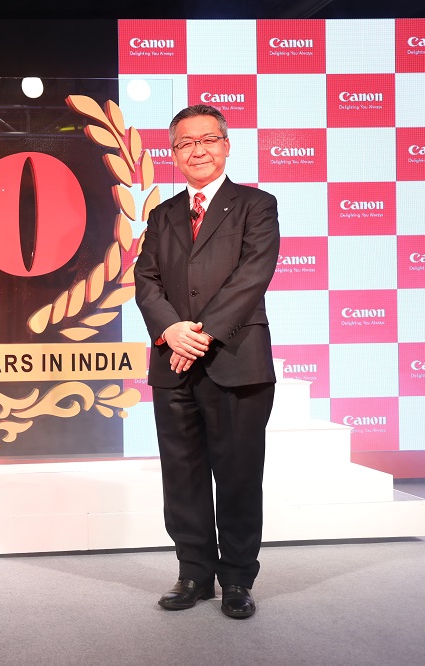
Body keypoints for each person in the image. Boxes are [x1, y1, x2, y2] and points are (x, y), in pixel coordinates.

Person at [134, 105, 280, 619]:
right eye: (185, 143)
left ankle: (237, 579)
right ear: (173, 153)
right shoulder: (163, 214)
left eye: (208, 139)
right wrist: (170, 330)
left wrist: (199, 335)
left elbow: (252, 276)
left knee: (238, 474)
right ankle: (193, 573)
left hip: (236, 361)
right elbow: (145, 281)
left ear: (226, 145)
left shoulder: (257, 206)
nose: (198, 150)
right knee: (183, 474)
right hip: (170, 362)